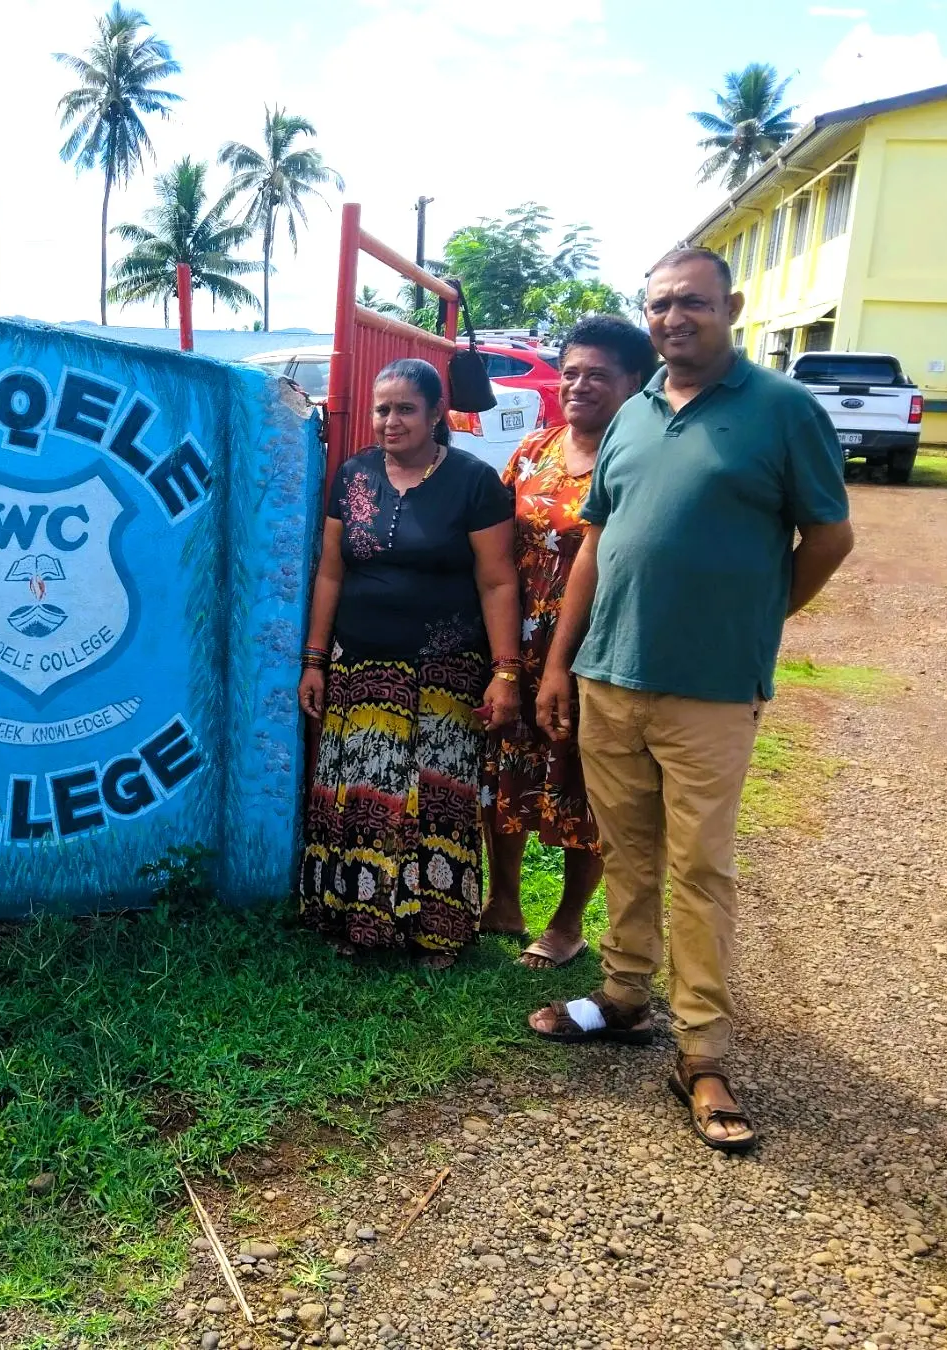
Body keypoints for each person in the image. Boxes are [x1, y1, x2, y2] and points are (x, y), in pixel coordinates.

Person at [528, 248, 855, 1153]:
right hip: (609, 676)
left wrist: (759, 611)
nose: (676, 318)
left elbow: (829, 537)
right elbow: (594, 545)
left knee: (699, 867)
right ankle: (625, 997)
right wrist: (560, 664)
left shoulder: (783, 412)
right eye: (661, 305)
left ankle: (702, 1051)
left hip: (711, 692)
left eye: (694, 304)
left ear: (733, 307)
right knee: (626, 851)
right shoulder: (632, 414)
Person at [296, 358, 522, 970]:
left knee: (436, 799)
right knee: (362, 796)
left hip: (443, 670)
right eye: (381, 408)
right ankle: (359, 922)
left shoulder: (474, 483)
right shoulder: (352, 476)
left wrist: (506, 671)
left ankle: (436, 931)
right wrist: (314, 660)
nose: (389, 421)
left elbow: (498, 581)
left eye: (404, 409)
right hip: (361, 669)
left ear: (435, 415)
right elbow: (333, 572)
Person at [479, 316, 657, 969]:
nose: (580, 385)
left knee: (591, 785)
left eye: (599, 375)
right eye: (573, 372)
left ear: (633, 382)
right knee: (507, 770)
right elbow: (494, 545)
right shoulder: (534, 451)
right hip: (518, 647)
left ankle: (567, 923)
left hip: (601, 651)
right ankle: (502, 901)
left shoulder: (643, 458)